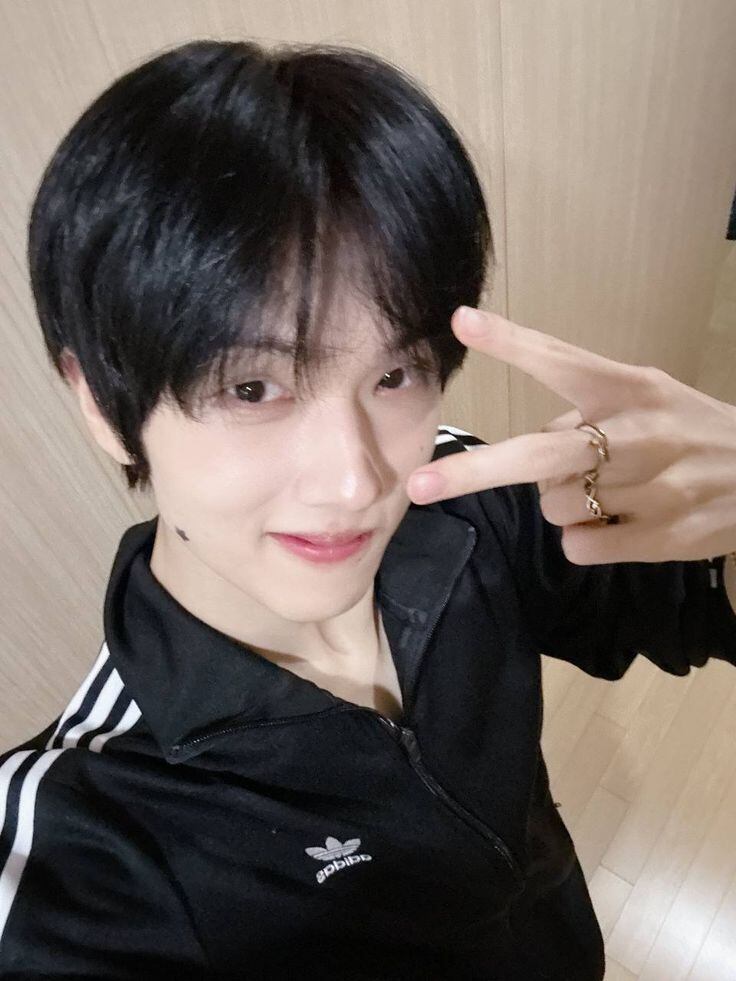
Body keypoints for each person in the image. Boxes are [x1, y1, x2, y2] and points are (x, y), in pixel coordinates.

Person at [1, 38, 735, 980]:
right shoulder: (90, 847)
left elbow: (692, 600)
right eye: (252, 388)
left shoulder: (462, 498)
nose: (355, 483)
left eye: (394, 374)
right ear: (103, 404)